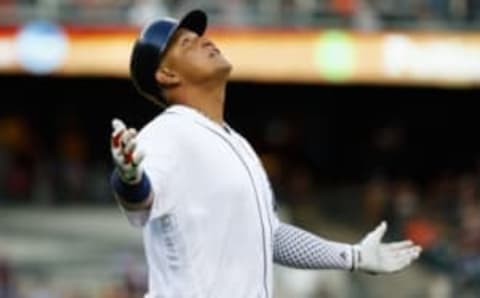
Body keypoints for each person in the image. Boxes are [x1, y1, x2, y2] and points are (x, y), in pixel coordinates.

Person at [109, 9, 422, 298]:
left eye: (200, 35)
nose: (205, 41)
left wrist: (351, 256)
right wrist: (129, 177)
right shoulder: (168, 133)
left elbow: (267, 236)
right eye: (187, 43)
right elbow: (140, 200)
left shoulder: (235, 142)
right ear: (166, 74)